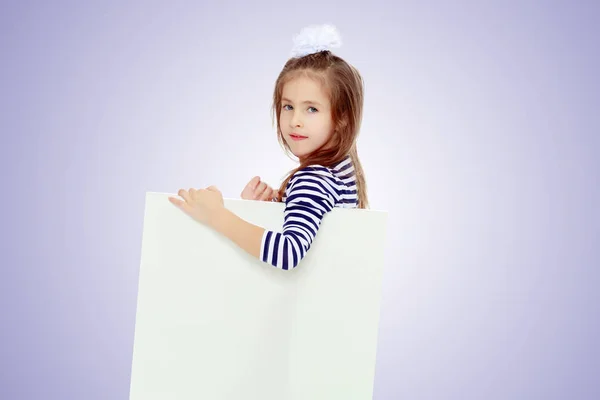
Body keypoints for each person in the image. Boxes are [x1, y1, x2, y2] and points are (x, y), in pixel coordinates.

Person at [169, 24, 369, 270]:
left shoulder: (313, 179)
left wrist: (217, 216)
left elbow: (288, 253)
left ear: (342, 118)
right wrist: (260, 211)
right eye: (288, 106)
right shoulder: (343, 170)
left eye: (312, 109)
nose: (295, 120)